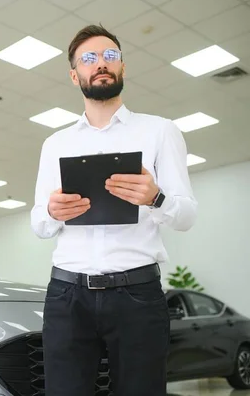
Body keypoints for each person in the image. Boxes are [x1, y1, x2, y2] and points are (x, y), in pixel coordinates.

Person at [30, 24, 198, 396]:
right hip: (67, 293)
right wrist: (53, 212)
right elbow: (39, 223)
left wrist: (156, 198)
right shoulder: (55, 143)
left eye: (110, 56)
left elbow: (186, 215)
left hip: (136, 293)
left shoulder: (160, 131)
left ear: (123, 66)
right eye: (88, 59)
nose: (101, 64)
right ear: (75, 76)